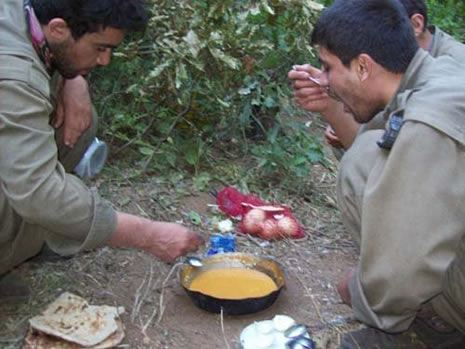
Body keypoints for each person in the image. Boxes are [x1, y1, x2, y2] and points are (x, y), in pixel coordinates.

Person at [0, 0, 204, 299]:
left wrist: (72, 78)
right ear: (58, 29)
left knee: (78, 119)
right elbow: (39, 192)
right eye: (100, 48)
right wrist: (148, 235)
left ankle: (24, 242)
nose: (105, 61)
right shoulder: (14, 78)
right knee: (37, 198)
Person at [305, 0, 465, 345]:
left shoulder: (427, 121)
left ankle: (438, 326)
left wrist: (368, 295)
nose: (322, 79)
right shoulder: (443, 77)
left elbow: (402, 269)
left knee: (362, 160)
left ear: (363, 66)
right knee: (368, 153)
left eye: (328, 67)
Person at [288, 0, 465, 156]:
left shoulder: (430, 109)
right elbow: (364, 153)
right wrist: (331, 105)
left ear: (415, 25)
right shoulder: (397, 81)